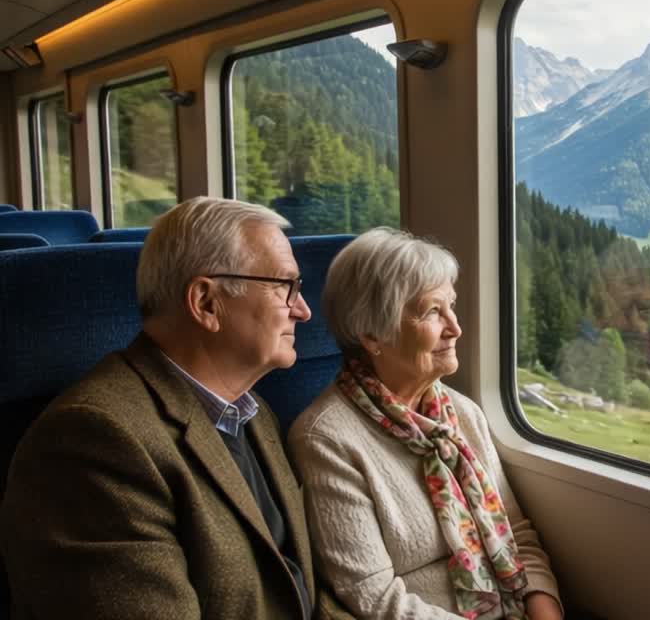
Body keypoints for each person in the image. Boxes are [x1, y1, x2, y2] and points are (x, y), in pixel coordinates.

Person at [1, 197, 348, 619]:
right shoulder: (93, 443)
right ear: (205, 303)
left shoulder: (252, 410)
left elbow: (300, 588)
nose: (303, 310)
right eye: (285, 287)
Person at [288, 228, 562, 619]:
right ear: (371, 334)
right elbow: (374, 598)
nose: (455, 327)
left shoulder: (461, 414)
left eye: (452, 306)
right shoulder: (326, 440)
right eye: (433, 311)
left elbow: (517, 536)